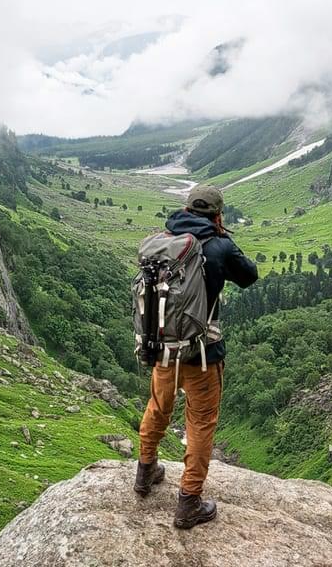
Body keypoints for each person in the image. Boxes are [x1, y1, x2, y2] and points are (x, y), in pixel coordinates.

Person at [135, 183, 259, 529]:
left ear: (187, 210)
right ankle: (189, 501)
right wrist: (224, 241)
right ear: (217, 214)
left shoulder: (165, 241)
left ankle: (145, 472)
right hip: (203, 353)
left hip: (163, 348)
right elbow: (249, 276)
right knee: (200, 421)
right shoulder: (219, 246)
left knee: (158, 406)